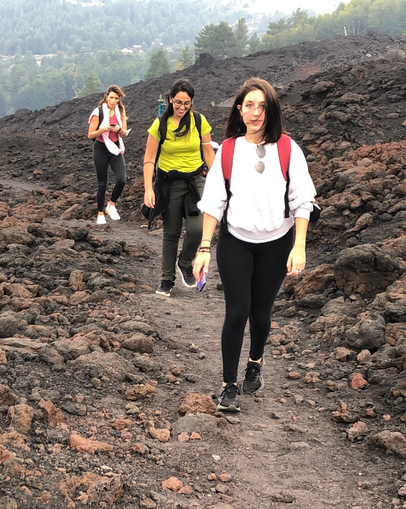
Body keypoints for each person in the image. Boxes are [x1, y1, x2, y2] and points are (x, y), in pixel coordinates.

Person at [193, 77, 316, 412]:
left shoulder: (289, 149)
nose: (255, 112)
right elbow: (215, 201)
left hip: (277, 242)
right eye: (249, 105)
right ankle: (228, 386)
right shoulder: (229, 150)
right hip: (236, 241)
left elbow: (303, 199)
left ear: (271, 110)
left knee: (261, 314)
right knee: (237, 312)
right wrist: (204, 247)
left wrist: (299, 246)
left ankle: (256, 362)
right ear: (239, 109)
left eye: (262, 106)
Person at [143, 79, 216, 297]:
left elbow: (208, 153)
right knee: (171, 232)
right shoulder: (160, 125)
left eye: (187, 103)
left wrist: (220, 180)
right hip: (170, 182)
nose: (182, 107)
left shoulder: (199, 121)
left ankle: (185, 262)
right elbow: (149, 159)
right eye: (178, 102)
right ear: (170, 100)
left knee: (198, 228)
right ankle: (167, 279)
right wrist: (149, 188)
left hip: (196, 180)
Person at [88, 85, 129, 225]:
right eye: (111, 97)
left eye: (116, 98)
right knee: (102, 183)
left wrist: (118, 129)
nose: (113, 101)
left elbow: (124, 133)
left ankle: (111, 205)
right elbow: (90, 134)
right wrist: (103, 129)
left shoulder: (121, 111)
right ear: (106, 97)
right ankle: (100, 213)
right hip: (101, 148)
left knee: (122, 179)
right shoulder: (98, 112)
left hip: (115, 148)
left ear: (119, 100)